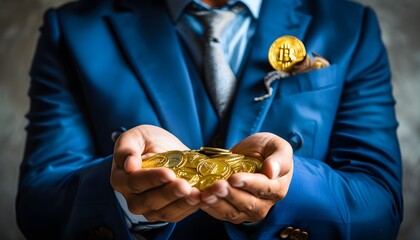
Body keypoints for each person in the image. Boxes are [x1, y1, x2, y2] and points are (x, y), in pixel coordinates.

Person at [16, 0, 403, 239]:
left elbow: (379, 206)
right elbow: (38, 206)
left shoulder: (351, 26)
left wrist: (286, 187)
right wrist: (123, 191)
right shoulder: (72, 29)